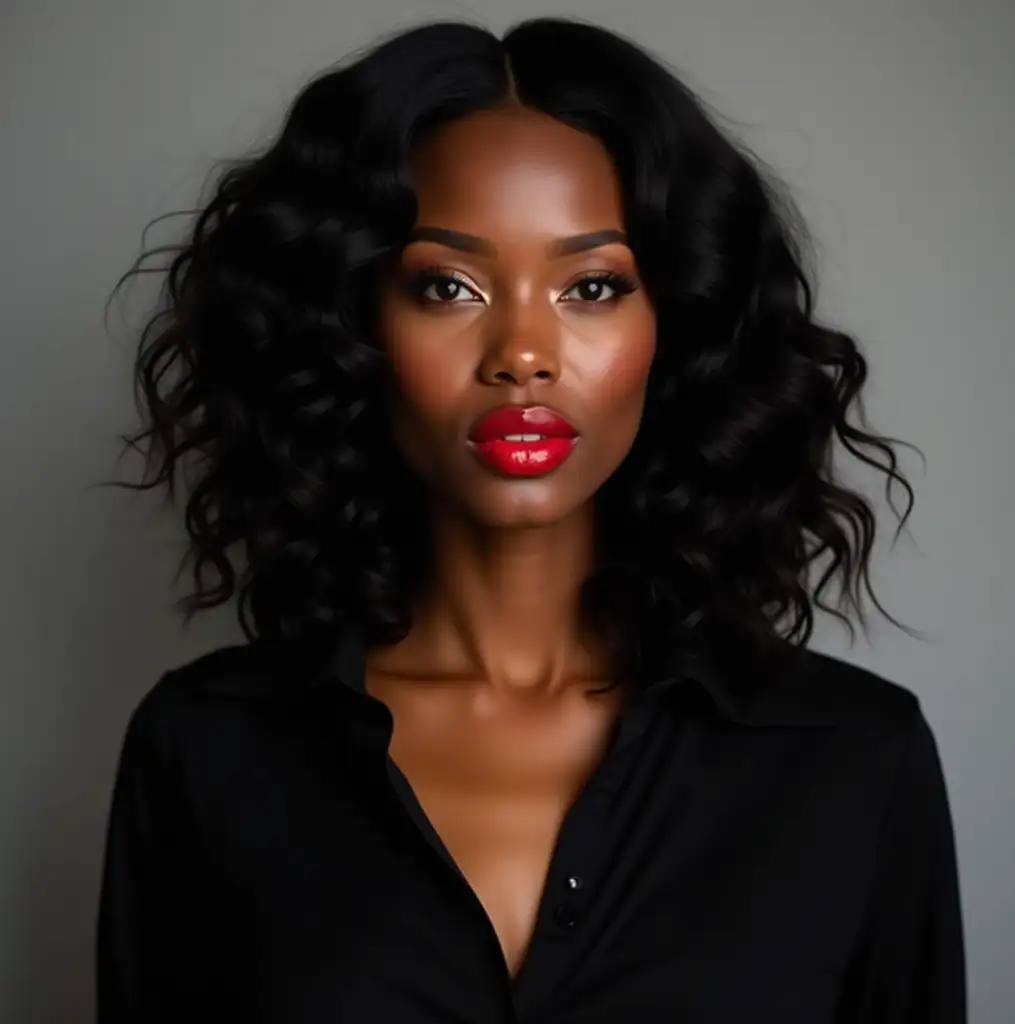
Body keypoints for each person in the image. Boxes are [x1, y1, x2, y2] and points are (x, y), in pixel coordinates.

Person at [95, 15, 967, 1023]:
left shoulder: (851, 757)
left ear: (673, 326)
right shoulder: (208, 749)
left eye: (592, 286)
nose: (522, 351)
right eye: (448, 285)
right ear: (353, 325)